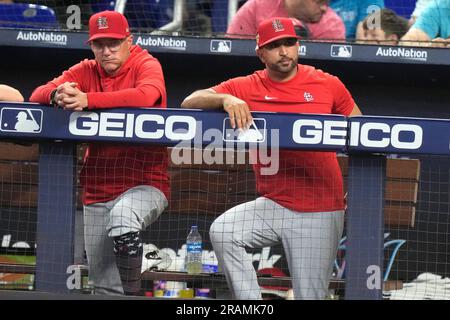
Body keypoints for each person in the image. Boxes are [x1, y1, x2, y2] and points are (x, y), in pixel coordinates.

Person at [181, 17, 362, 299]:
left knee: (309, 296)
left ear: (298, 45)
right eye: (274, 45)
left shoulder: (327, 83)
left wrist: (360, 186)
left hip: (320, 207)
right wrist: (225, 99)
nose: (284, 51)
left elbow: (363, 131)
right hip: (274, 204)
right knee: (224, 232)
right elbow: (190, 100)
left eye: (289, 43)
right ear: (260, 53)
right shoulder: (248, 86)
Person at [29, 10, 169, 296]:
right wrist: (56, 95)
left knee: (123, 216)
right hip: (96, 190)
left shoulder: (146, 63)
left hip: (145, 185)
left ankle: (133, 293)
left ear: (129, 40)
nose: (106, 51)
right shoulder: (85, 70)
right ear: (91, 45)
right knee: (104, 285)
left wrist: (87, 99)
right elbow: (36, 94)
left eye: (114, 43)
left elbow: (146, 95)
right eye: (99, 44)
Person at [226, 0, 345, 41]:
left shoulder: (332, 24)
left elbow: (328, 71)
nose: (324, 8)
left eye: (327, 2)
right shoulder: (256, 7)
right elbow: (234, 53)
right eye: (319, 1)